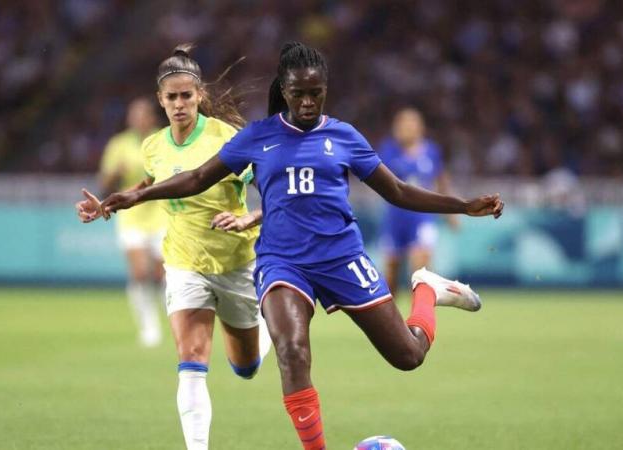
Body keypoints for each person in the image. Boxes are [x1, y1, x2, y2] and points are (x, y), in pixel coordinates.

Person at [96, 42, 504, 450]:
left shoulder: (343, 136)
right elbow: (197, 178)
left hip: (341, 257)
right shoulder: (259, 137)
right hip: (282, 262)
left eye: (316, 93)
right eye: (299, 93)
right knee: (291, 350)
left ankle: (427, 290)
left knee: (408, 356)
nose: (308, 102)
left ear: (325, 89)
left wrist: (464, 206)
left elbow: (396, 190)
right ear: (284, 90)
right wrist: (138, 196)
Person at [76, 45, 271, 450]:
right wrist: (111, 201)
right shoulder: (153, 146)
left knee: (245, 367)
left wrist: (250, 218)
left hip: (236, 264)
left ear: (200, 95)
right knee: (191, 359)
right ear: (160, 100)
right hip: (183, 262)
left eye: (187, 95)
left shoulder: (228, 139)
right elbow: (149, 183)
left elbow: (272, 193)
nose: (180, 104)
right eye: (172, 97)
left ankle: (263, 334)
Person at [98, 97, 166, 347]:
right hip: (131, 215)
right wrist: (115, 173)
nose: (137, 120)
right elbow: (104, 183)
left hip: (161, 211)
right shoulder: (119, 144)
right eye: (133, 115)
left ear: (151, 117)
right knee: (139, 273)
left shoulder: (163, 139)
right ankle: (149, 326)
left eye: (142, 115)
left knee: (161, 274)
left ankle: (169, 316)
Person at [377, 108, 460, 296]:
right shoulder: (389, 150)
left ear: (420, 127)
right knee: (390, 274)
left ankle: (420, 319)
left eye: (411, 123)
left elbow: (441, 181)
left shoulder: (431, 151)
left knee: (421, 272)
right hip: (395, 217)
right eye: (402, 124)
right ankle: (392, 321)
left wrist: (452, 212)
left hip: (422, 217)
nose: (406, 128)